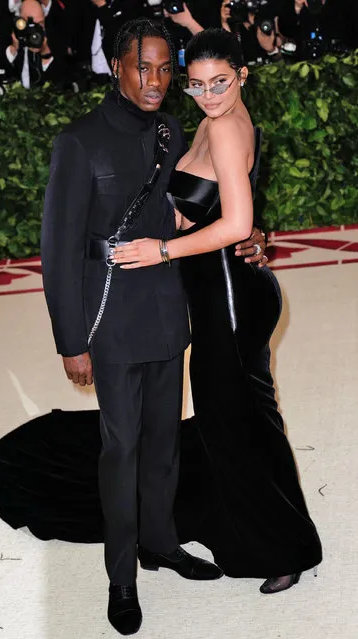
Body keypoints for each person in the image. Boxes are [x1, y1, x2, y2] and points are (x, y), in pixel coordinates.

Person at [0, 17, 267, 637]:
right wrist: (70, 341)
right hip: (108, 313)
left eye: (166, 69)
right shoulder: (78, 142)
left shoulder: (170, 127)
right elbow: (56, 251)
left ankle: (160, 543)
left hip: (167, 304)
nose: (156, 81)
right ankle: (121, 577)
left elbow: (196, 206)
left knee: (163, 441)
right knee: (121, 447)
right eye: (144, 67)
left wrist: (252, 235)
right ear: (117, 66)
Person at [112, 27, 323, 594]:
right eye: (198, 84)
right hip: (219, 291)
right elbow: (205, 210)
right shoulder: (211, 119)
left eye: (220, 82)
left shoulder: (228, 128)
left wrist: (160, 250)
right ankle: (263, 529)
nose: (208, 94)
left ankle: (286, 548)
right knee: (235, 421)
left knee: (241, 426)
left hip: (230, 297)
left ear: (243, 75)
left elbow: (232, 224)